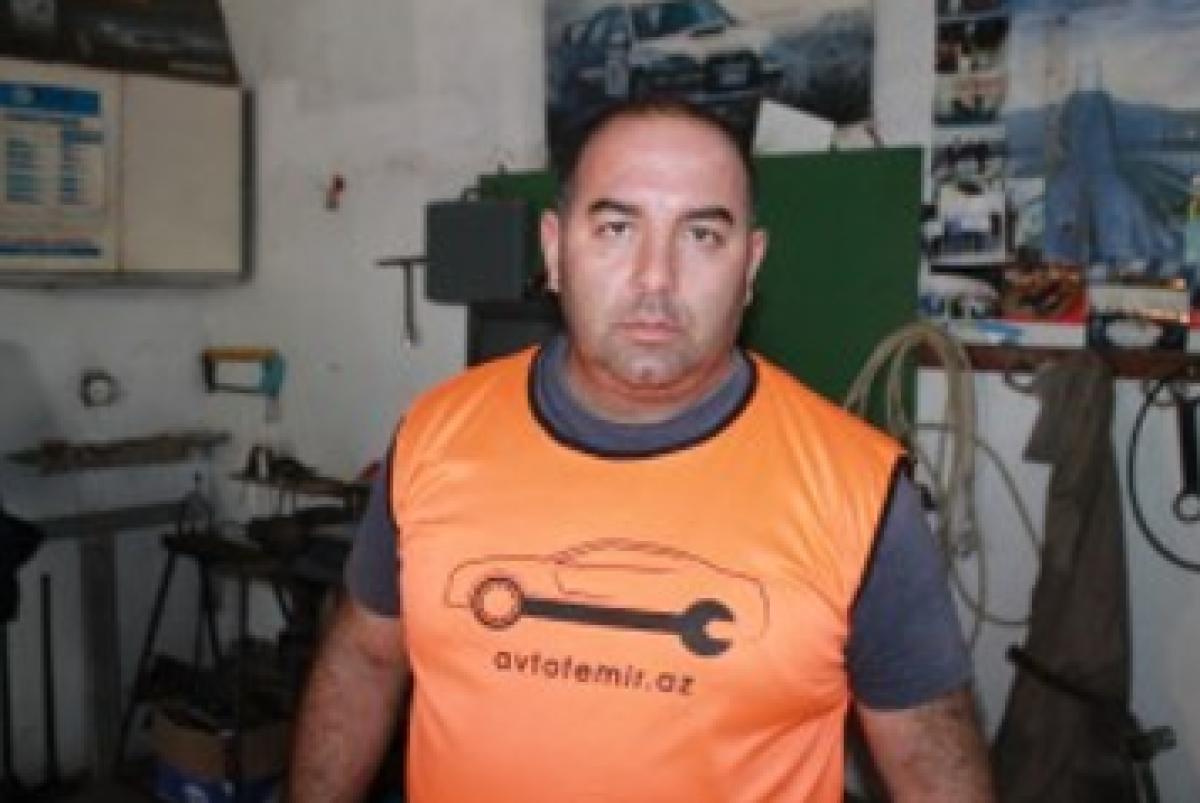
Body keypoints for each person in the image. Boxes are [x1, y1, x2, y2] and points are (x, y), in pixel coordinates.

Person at [289, 99, 995, 802]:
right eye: (617, 228)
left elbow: (933, 771)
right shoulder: (433, 436)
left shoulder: (860, 492)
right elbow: (364, 660)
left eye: (702, 235)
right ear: (554, 250)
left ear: (750, 266)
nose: (655, 278)